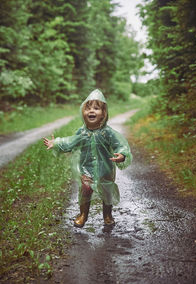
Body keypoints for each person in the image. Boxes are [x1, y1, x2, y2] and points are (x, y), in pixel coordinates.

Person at [43, 89, 132, 228]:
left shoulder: (107, 132)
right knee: (86, 190)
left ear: (104, 113)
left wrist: (122, 155)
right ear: (82, 113)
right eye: (88, 108)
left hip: (106, 170)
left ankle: (107, 215)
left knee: (107, 192)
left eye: (96, 108)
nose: (91, 111)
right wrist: (56, 144)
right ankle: (83, 215)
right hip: (86, 169)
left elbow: (119, 145)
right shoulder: (82, 132)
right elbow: (71, 142)